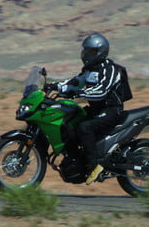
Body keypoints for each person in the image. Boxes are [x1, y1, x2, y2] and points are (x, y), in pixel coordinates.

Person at [51, 33, 131, 184]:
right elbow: (75, 82)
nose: (86, 54)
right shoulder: (89, 69)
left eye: (91, 51)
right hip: (96, 110)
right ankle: (75, 160)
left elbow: (101, 90)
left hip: (111, 110)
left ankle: (94, 165)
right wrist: (55, 86)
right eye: (86, 50)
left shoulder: (109, 68)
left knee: (84, 127)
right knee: (68, 123)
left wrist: (79, 93)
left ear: (101, 51)